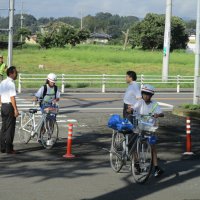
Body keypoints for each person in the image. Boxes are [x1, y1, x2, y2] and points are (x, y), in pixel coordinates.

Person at [132, 84, 164, 177]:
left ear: (151, 95)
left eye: (148, 94)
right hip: (139, 127)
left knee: (153, 147)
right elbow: (133, 108)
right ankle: (136, 164)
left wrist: (158, 115)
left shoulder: (154, 104)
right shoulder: (139, 102)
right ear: (142, 94)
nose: (146, 96)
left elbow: (161, 113)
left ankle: (156, 167)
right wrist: (130, 109)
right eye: (144, 93)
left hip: (150, 128)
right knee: (134, 145)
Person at [0, 66, 19, 154]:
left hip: (3, 106)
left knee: (4, 127)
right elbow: (12, 98)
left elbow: (0, 96)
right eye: (15, 72)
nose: (16, 74)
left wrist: (1, 105)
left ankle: (2, 147)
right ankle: (9, 148)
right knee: (10, 128)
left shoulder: (2, 82)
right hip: (9, 106)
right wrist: (15, 109)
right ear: (11, 73)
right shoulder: (11, 83)